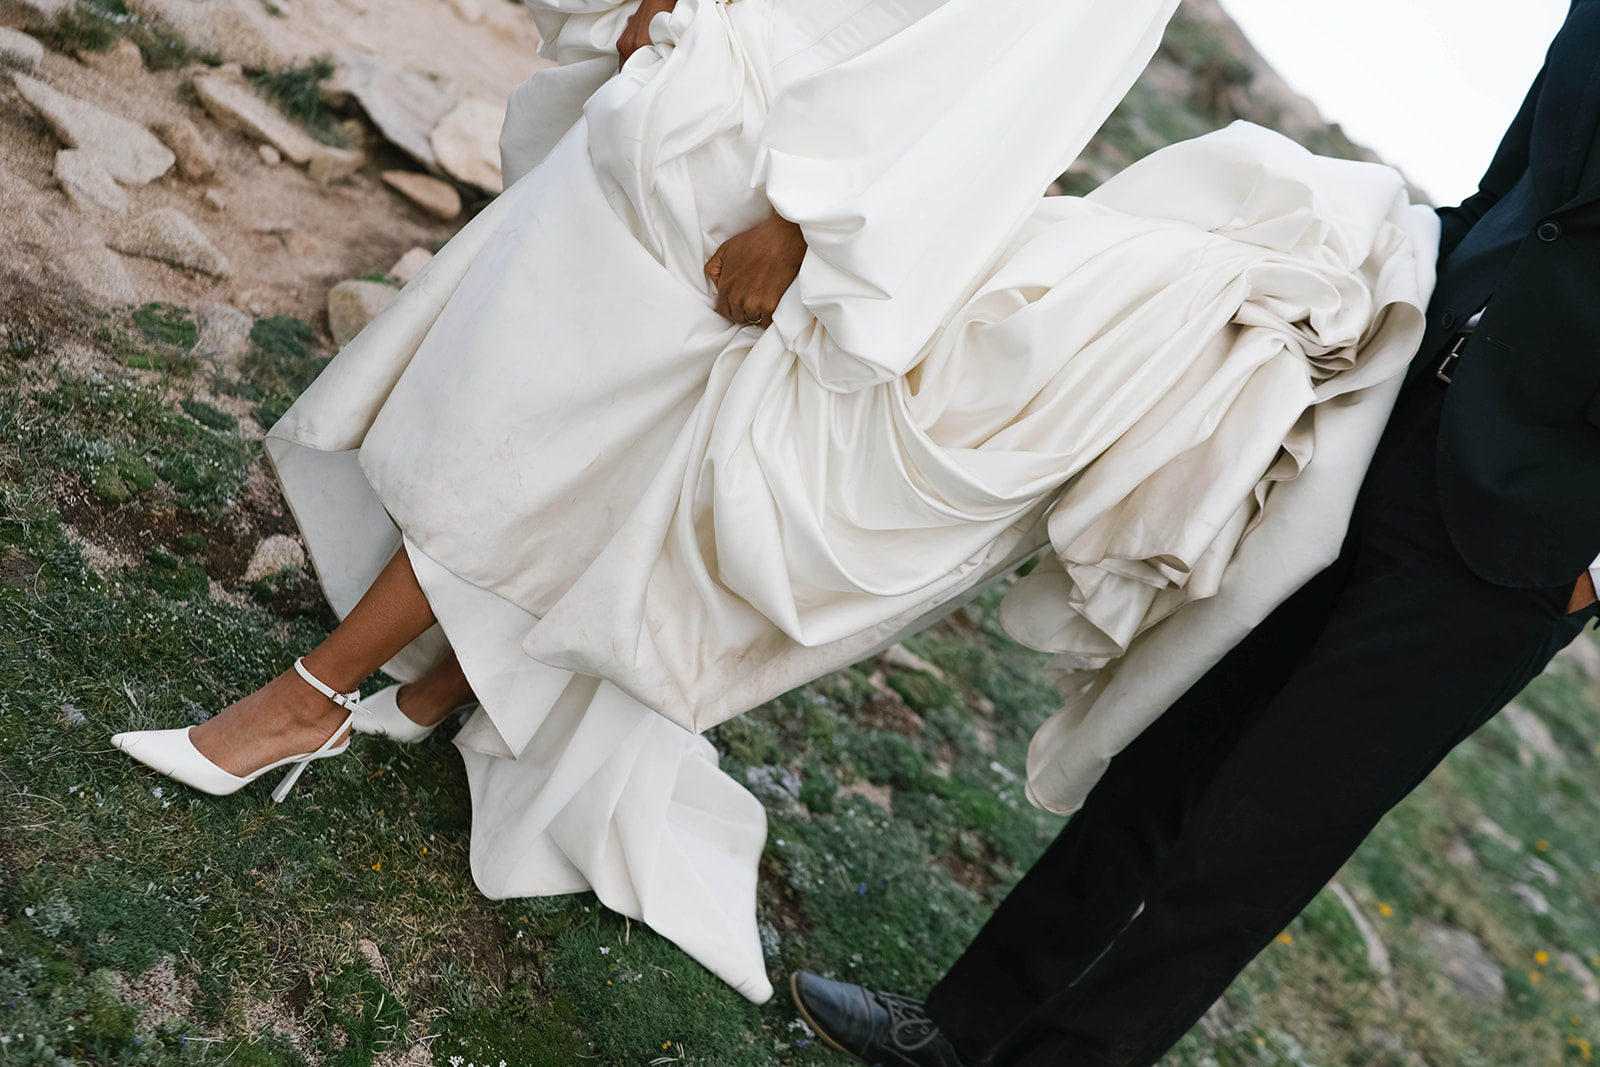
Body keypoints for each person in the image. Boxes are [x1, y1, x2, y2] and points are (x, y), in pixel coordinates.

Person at [109, 0, 1436, 1007]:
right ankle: (431, 690)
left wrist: (815, 216)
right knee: (534, 389)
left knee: (553, 424)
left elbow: (1001, 73)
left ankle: (310, 700)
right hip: (722, 72)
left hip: (790, 161)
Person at [789, 2, 1600, 1063]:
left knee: (1260, 841)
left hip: (1523, 538)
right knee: (1168, 751)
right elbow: (1512, 196)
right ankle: (958, 1025)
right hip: (1385, 420)